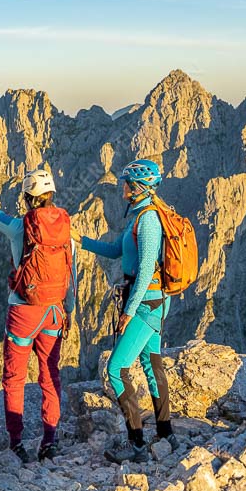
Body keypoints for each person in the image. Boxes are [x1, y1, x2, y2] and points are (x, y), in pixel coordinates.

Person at [0, 167, 77, 463]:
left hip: (24, 311)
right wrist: (69, 310)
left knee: (14, 378)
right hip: (54, 311)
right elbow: (70, 273)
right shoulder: (66, 228)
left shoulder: (18, 227)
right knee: (50, 375)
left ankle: (16, 443)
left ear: (28, 198)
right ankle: (49, 441)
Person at [74, 158, 174, 463]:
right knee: (152, 364)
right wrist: (80, 240)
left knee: (116, 369)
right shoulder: (138, 217)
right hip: (150, 300)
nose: (122, 189)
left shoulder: (149, 220)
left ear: (138, 187)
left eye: (127, 184)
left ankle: (137, 444)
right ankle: (166, 434)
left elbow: (144, 271)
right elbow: (116, 249)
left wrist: (128, 312)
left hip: (146, 302)